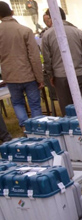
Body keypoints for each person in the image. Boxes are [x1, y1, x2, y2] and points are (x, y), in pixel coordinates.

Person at [41, 7, 82, 117]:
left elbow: (47, 59)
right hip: (78, 74)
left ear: (52, 18)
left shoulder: (47, 35)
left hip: (60, 77)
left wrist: (50, 75)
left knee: (66, 109)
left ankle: (71, 131)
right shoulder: (78, 32)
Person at [0, 2, 43, 131]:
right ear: (12, 12)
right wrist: (39, 78)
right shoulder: (25, 30)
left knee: (18, 103)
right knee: (34, 104)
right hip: (28, 74)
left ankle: (25, 127)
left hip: (10, 75)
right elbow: (34, 57)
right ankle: (36, 128)